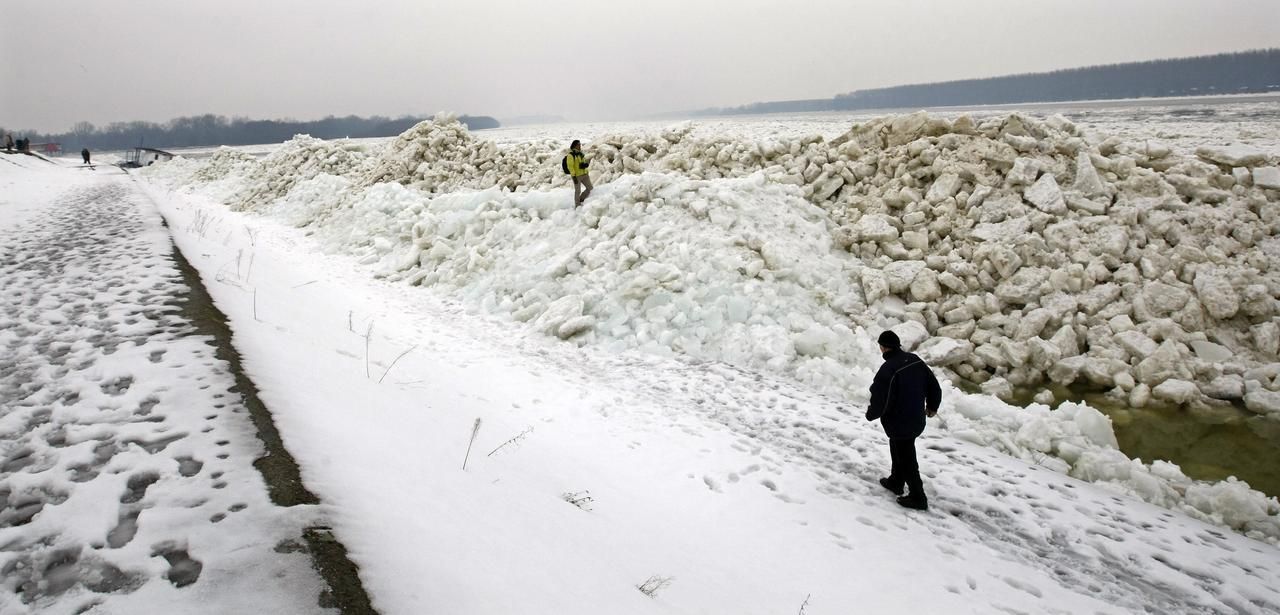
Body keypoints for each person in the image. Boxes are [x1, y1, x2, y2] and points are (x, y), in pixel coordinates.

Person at [865, 330, 942, 510]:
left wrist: (872, 414)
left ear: (883, 347)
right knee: (898, 447)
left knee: (906, 457)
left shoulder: (889, 369)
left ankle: (918, 497)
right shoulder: (915, 360)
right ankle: (896, 480)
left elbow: (880, 397)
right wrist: (932, 406)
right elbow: (933, 385)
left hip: (900, 420)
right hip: (916, 417)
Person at [566, 139, 592, 206]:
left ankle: (581, 199)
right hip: (577, 176)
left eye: (580, 144)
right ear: (574, 146)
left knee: (590, 188)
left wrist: (585, 164)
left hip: (584, 174)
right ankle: (577, 205)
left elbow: (582, 162)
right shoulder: (571, 155)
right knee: (578, 191)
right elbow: (570, 166)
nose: (580, 146)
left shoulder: (580, 154)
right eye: (578, 145)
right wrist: (573, 176)